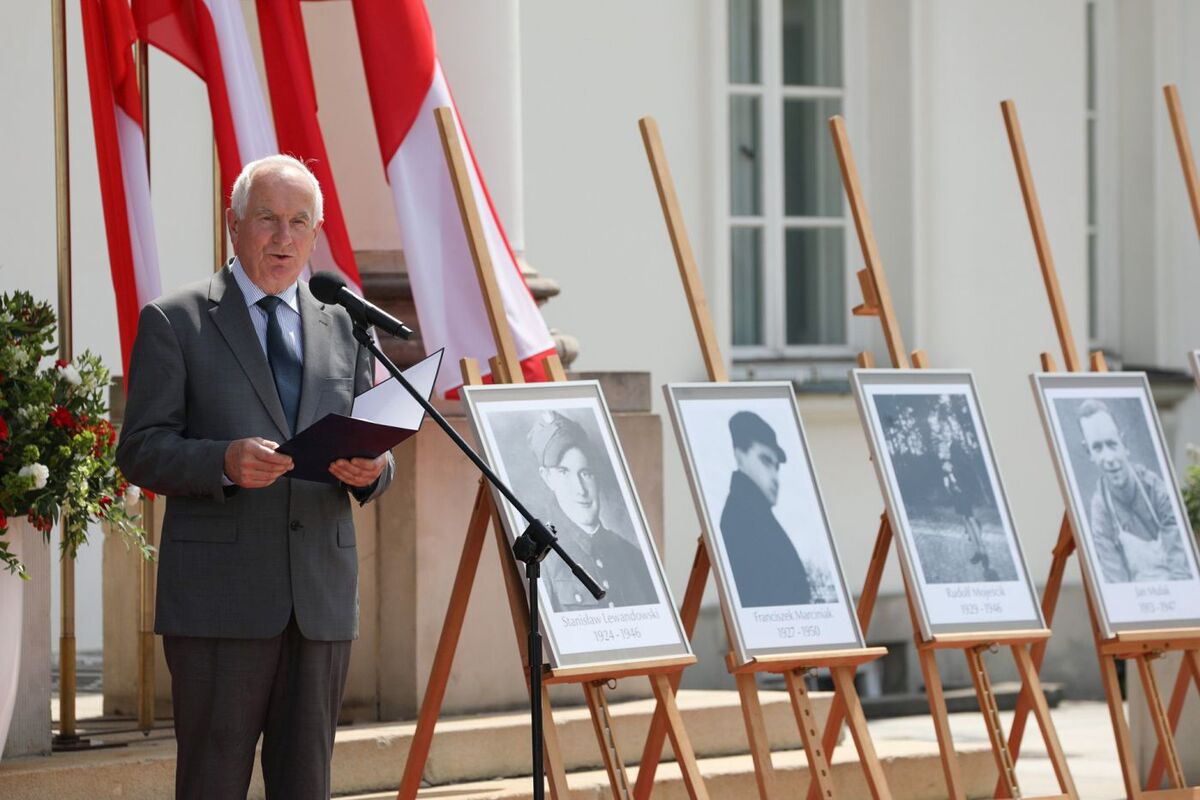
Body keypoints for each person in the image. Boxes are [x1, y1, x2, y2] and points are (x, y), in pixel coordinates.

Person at [116, 155, 394, 800]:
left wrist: (373, 470)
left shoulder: (347, 325)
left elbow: (376, 441)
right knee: (212, 784)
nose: (283, 237)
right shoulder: (176, 320)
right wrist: (222, 461)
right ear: (233, 224)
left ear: (316, 234)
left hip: (320, 602)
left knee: (306, 786)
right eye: (267, 218)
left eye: (300, 222)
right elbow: (140, 450)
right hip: (220, 602)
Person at [527, 411, 657, 611]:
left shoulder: (633, 556)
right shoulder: (541, 559)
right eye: (564, 472)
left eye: (585, 473)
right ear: (547, 478)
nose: (580, 489)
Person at [1076, 399, 1190, 583]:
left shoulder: (1155, 490)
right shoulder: (1101, 509)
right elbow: (1115, 580)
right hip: (1136, 597)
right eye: (1097, 448)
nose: (1109, 458)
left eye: (1112, 444)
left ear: (1124, 444)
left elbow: (1181, 570)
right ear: (1089, 453)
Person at [719, 411, 813, 607]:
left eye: (777, 467)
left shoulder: (757, 515)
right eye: (766, 461)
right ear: (740, 456)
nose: (775, 477)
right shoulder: (743, 519)